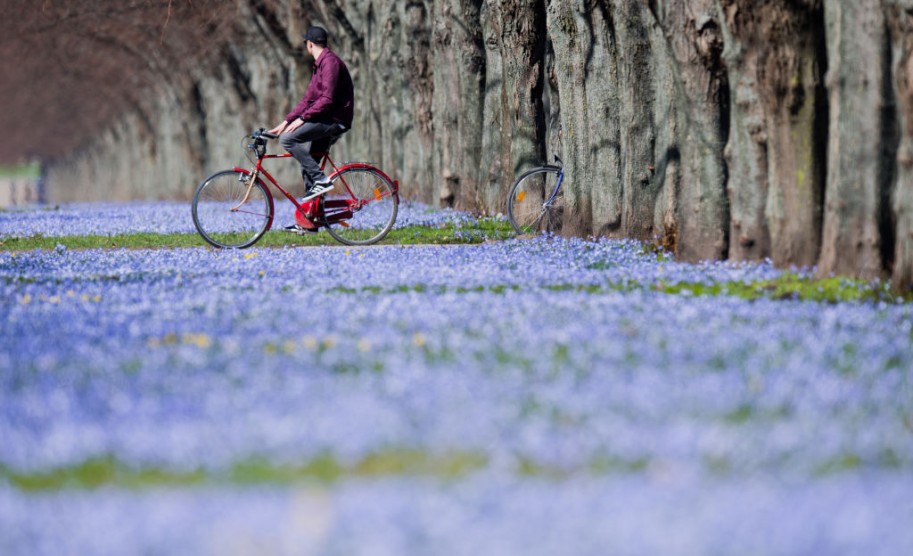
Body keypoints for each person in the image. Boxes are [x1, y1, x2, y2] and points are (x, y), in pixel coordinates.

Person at [268, 25, 354, 211]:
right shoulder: (320, 64)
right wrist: (286, 121)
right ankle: (311, 218)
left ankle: (322, 180)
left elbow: (326, 99)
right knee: (309, 164)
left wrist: (303, 119)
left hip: (335, 120)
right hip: (326, 118)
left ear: (309, 44)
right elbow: (308, 99)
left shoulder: (330, 63)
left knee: (288, 139)